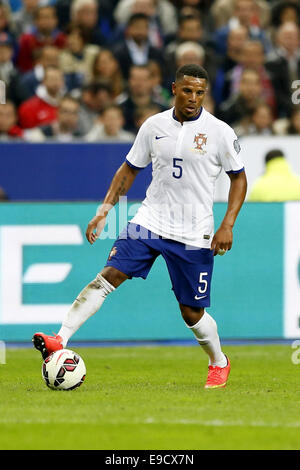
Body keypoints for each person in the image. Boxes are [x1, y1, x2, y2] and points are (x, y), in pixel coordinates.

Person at [32, 64, 247, 389]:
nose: (193, 98)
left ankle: (219, 361)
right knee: (109, 276)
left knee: (191, 312)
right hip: (149, 220)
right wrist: (105, 210)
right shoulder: (153, 125)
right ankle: (59, 339)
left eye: (199, 92)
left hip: (193, 232)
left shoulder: (220, 132)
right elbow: (128, 170)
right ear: (173, 89)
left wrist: (228, 224)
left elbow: (239, 178)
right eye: (187, 90)